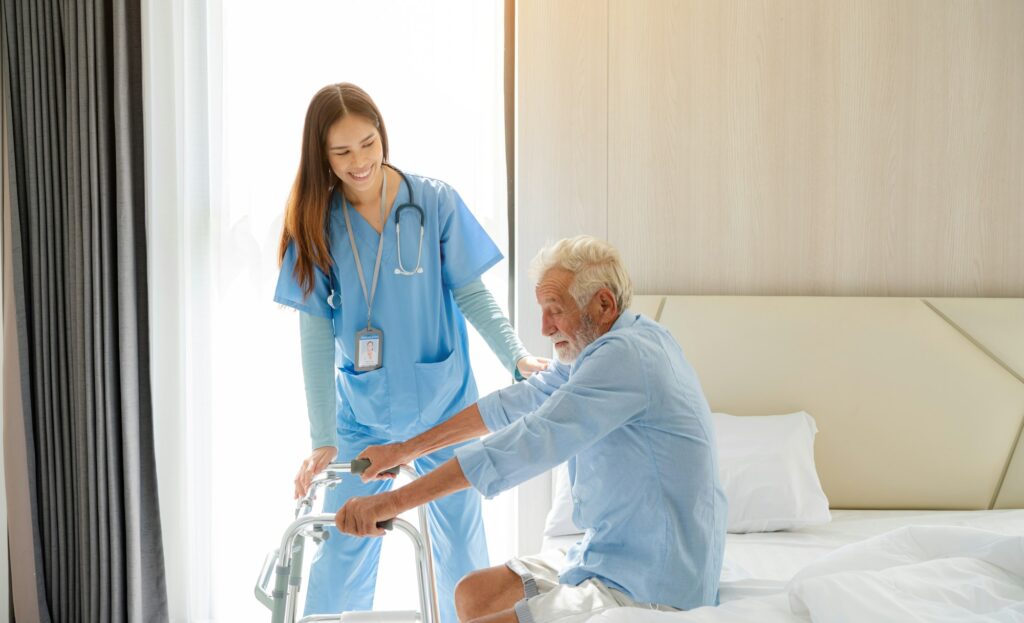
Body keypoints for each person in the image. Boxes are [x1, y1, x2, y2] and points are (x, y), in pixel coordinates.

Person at [337, 235, 728, 623]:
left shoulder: (627, 356)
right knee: (473, 594)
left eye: (554, 310)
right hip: (607, 555)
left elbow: (530, 441)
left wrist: (390, 503)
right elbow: (519, 401)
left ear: (604, 304)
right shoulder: (604, 348)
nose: (544, 328)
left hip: (651, 585)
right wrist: (404, 450)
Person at [274, 82, 548, 620]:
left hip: (445, 405)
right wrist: (323, 440)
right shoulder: (317, 224)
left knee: (463, 554)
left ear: (383, 137)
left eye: (369, 143)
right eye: (343, 151)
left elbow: (471, 293)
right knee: (344, 550)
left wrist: (517, 358)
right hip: (365, 412)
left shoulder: (434, 201)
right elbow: (314, 334)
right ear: (321, 157)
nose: (360, 161)